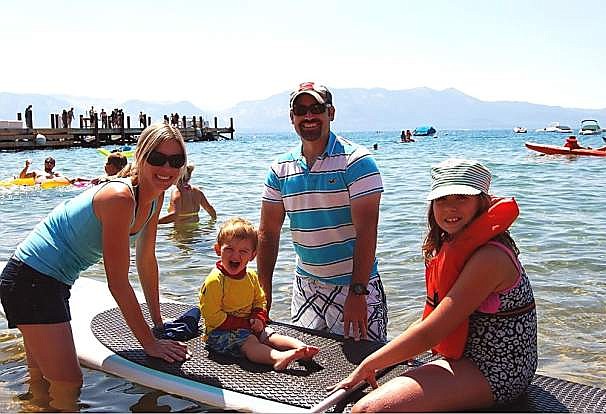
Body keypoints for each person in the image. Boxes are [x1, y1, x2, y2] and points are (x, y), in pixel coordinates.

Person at [0, 123, 190, 411]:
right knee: (68, 383)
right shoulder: (120, 197)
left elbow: (146, 261)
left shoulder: (155, 195)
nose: (167, 168)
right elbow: (117, 282)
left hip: (46, 281)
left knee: (42, 382)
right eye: (157, 158)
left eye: (175, 161)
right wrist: (149, 344)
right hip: (32, 281)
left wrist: (158, 323)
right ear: (140, 156)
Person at [330, 158, 537, 412]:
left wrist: (369, 363)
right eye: (442, 200)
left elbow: (432, 333)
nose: (450, 208)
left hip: (498, 369)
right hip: (466, 358)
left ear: (481, 203)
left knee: (368, 411)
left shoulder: (490, 258)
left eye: (461, 197)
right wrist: (382, 360)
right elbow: (431, 320)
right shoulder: (453, 246)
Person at [257, 82, 388, 342]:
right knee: (308, 367)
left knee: (364, 368)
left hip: (354, 286)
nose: (308, 116)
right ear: (291, 117)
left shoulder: (357, 162)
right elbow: (268, 233)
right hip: (306, 287)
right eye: (300, 109)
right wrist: (263, 293)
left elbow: (366, 232)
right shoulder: (280, 168)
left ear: (331, 113)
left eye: (316, 108)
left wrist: (358, 292)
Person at [199, 217, 319, 370]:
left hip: (248, 325)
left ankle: (301, 348)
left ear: (252, 255)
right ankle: (277, 358)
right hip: (219, 333)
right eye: (229, 249)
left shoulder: (250, 276)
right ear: (217, 250)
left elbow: (259, 299)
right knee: (250, 342)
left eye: (243, 251)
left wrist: (258, 316)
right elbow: (211, 315)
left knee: (269, 334)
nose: (236, 256)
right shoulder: (215, 281)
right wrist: (244, 324)